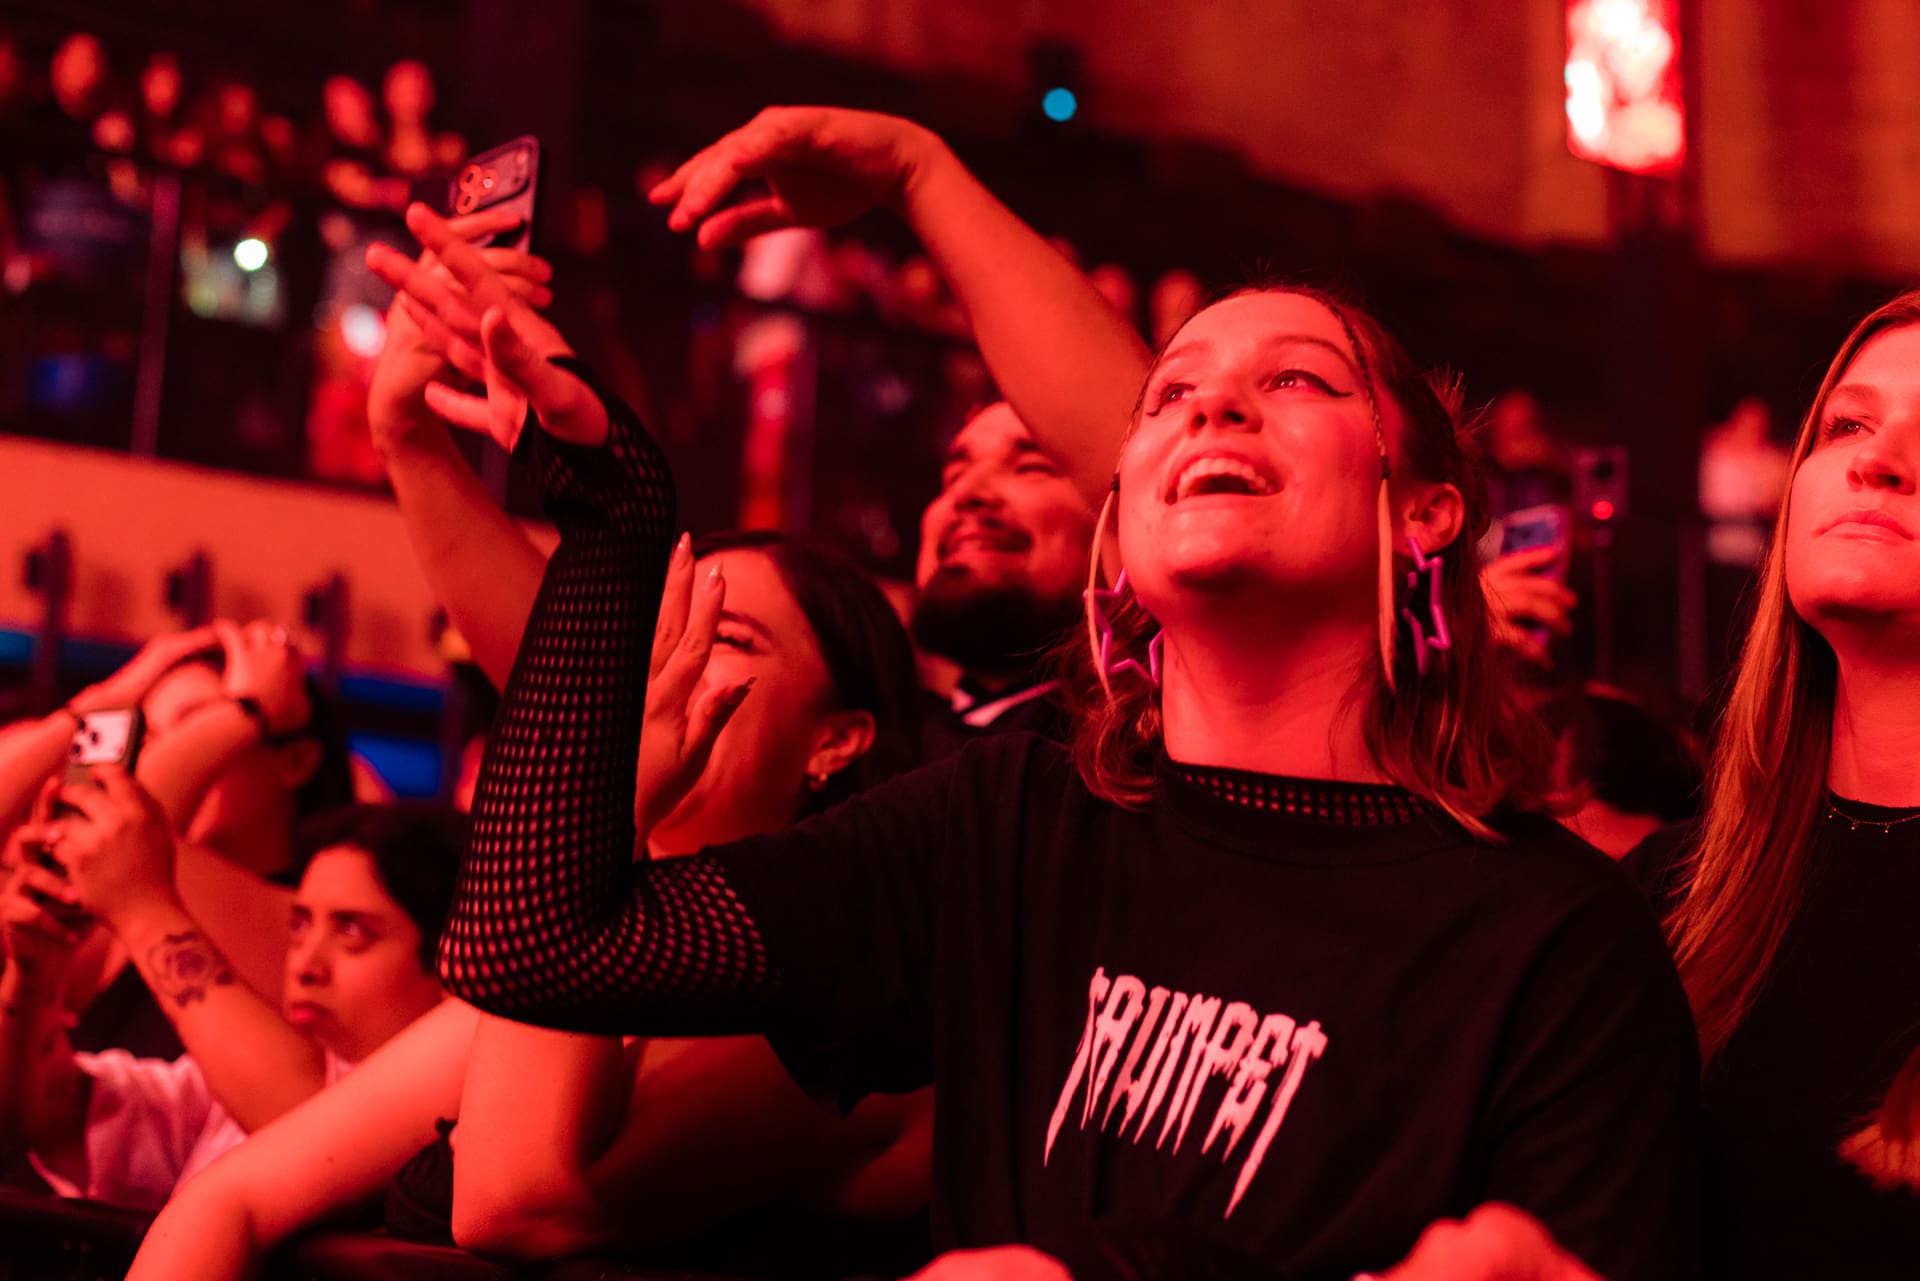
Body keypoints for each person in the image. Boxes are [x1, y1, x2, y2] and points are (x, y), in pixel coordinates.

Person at [389, 162, 1698, 1281]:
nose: (1213, 406)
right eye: (1170, 395)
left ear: (1425, 512)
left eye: (1300, 380)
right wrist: (613, 517)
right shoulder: (1007, 828)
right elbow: (530, 946)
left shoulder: (1554, 938)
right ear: (1127, 512)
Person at [122, 536, 935, 1281]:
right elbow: (232, 1198)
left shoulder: (847, 989)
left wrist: (608, 813)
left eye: (723, 635)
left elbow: (510, 1206)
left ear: (835, 740)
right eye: (660, 628)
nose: (666, 658)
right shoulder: (595, 941)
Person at [0, 794, 462, 1210]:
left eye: (352, 931)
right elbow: (39, 1116)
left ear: (452, 962)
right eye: (300, 925)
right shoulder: (225, 1091)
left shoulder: (458, 1127)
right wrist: (36, 970)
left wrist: (140, 908)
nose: (305, 965)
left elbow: (320, 1132)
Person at [910, 401, 1094, 753]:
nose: (966, 493)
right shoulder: (873, 747)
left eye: (1031, 467)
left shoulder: (1149, 751)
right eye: (953, 476)